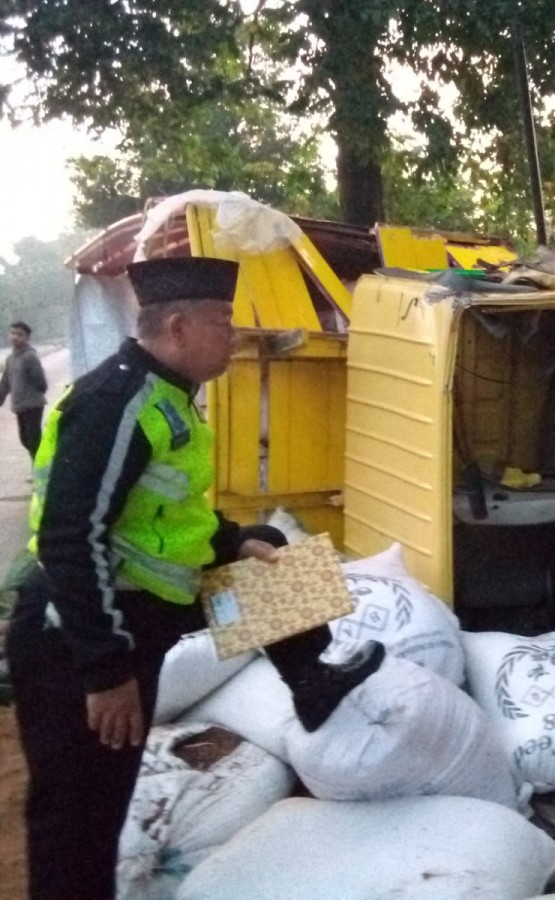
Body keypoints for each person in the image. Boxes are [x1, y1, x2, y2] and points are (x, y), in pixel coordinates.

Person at [5, 257, 384, 900]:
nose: (233, 334)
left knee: (273, 557)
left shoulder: (168, 395)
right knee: (79, 816)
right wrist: (104, 671)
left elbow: (166, 511)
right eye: (223, 322)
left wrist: (237, 541)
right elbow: (72, 538)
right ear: (178, 327)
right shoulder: (116, 403)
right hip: (81, 634)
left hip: (145, 610)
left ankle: (310, 679)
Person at [0, 320, 48, 461]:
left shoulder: (30, 357)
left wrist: (33, 395)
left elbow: (41, 381)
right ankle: (39, 466)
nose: (15, 337)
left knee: (33, 439)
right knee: (25, 439)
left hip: (33, 405)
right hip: (20, 406)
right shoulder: (10, 359)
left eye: (20, 334)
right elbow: (6, 383)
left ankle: (40, 471)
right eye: (13, 333)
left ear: (27, 338)